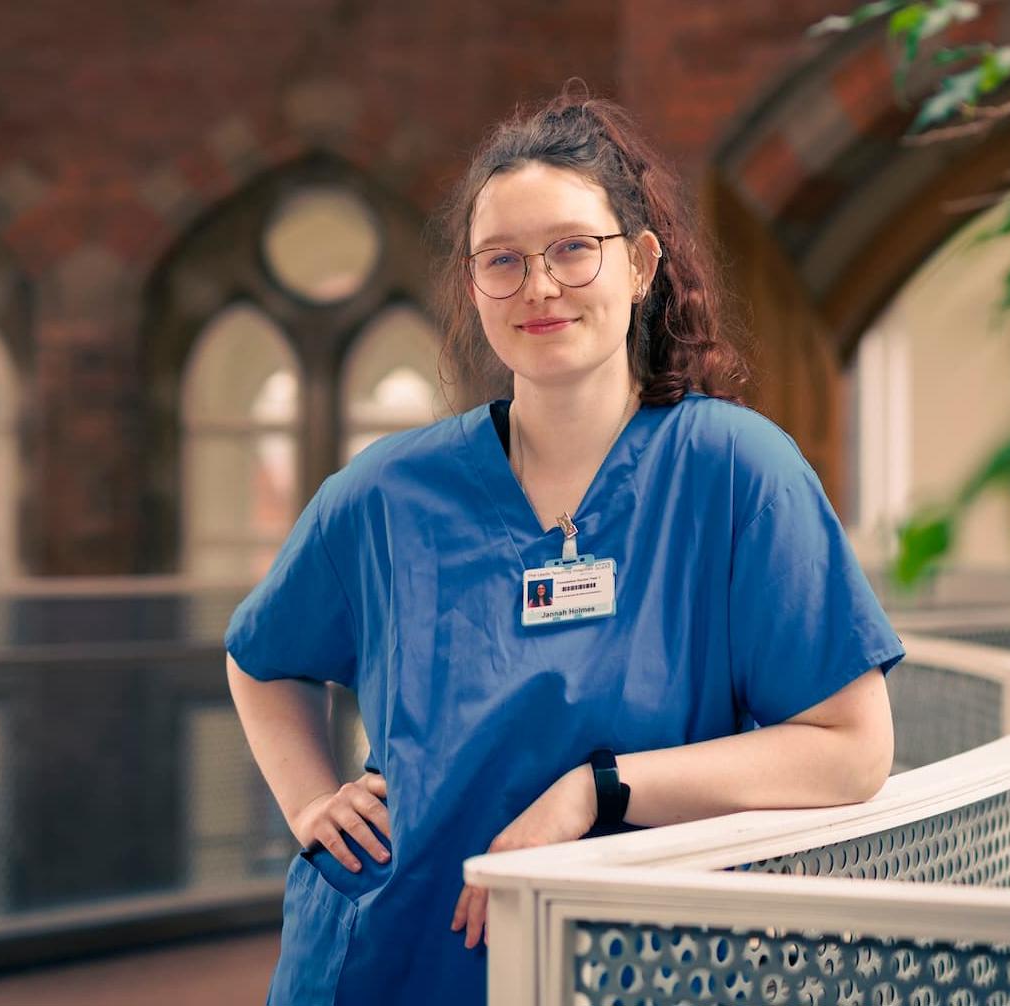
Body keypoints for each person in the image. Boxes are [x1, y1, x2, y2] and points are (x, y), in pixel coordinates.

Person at [224, 80, 904, 1006]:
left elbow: (850, 752)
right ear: (473, 285)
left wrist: (599, 790)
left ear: (641, 264)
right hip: (385, 955)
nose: (538, 285)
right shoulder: (385, 492)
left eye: (573, 250)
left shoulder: (734, 472)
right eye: (501, 260)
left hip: (626, 968)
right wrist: (311, 802)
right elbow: (261, 660)